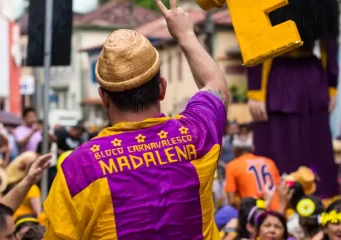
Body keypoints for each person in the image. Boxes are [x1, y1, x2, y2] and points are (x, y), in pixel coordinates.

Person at [44, 0, 229, 238]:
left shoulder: (78, 168)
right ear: (162, 88)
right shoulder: (196, 136)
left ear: (103, 97)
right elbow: (216, 88)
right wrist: (185, 34)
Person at [247, 0, 339, 197]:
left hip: (281, 78)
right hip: (305, 76)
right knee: (311, 144)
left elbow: (257, 40)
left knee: (283, 145)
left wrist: (256, 90)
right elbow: (329, 41)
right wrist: (331, 84)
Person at [224, 135, 281, 210]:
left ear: (234, 150)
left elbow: (231, 201)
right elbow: (280, 189)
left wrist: (245, 212)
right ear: (252, 148)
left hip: (255, 214)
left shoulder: (232, 166)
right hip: (277, 212)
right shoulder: (269, 162)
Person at [5, 152, 41, 220]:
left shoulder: (15, 185)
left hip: (14, 221)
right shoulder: (32, 188)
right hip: (25, 224)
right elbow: (37, 212)